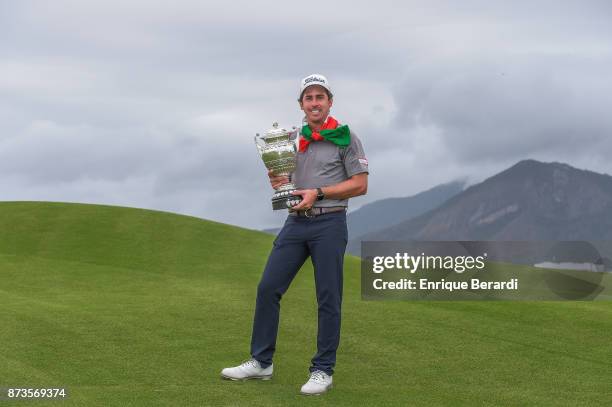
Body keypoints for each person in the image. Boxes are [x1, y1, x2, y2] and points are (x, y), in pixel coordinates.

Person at [221, 73, 369, 395]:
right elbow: (287, 181)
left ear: (330, 102)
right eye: (308, 98)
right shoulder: (291, 140)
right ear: (301, 104)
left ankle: (322, 370)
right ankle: (262, 362)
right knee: (268, 288)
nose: (314, 103)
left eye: (320, 97)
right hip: (296, 222)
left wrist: (318, 191)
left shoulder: (346, 138)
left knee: (328, 298)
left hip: (329, 223)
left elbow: (360, 184)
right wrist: (279, 181)